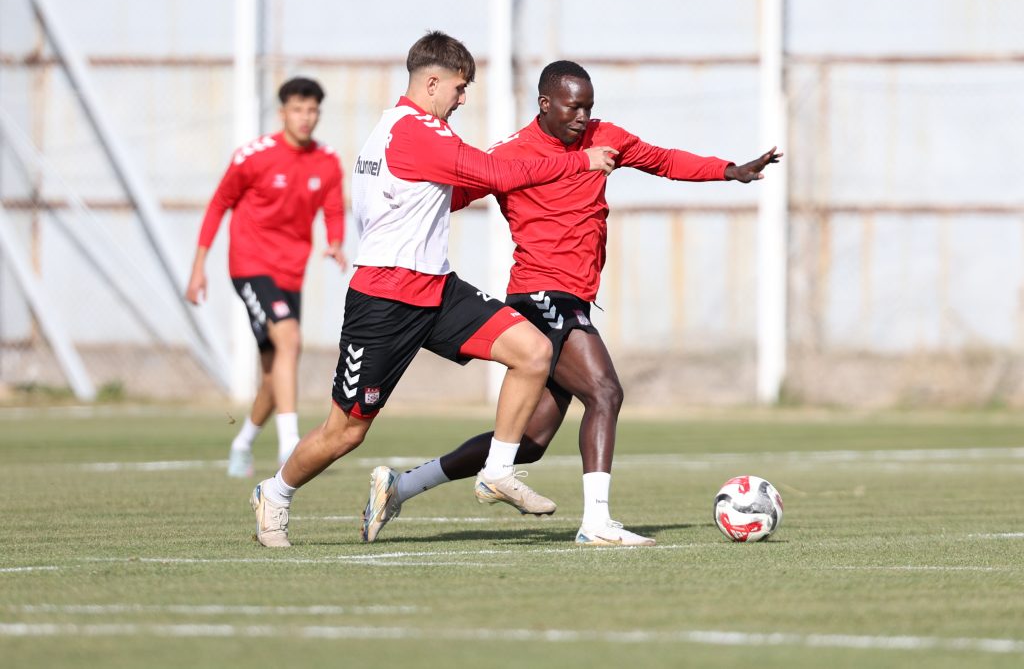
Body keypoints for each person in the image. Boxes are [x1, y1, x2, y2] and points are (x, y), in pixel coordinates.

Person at [362, 60, 783, 547]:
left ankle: (402, 486)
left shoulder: (605, 138)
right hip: (540, 295)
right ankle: (597, 522)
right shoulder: (510, 155)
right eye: (573, 107)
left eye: (588, 107)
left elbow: (663, 160)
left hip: (573, 296)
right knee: (605, 392)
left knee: (531, 442)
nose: (583, 117)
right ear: (545, 104)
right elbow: (447, 196)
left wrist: (728, 171)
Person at [248, 34, 617, 547]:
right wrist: (581, 162)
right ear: (433, 82)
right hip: (384, 297)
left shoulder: (407, 129)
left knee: (533, 352)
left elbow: (462, 186)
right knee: (346, 432)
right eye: (460, 89)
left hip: (438, 289)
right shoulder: (415, 131)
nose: (463, 99)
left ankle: (497, 471)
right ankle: (275, 492)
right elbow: (496, 173)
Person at [186, 77, 347, 478]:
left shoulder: (327, 161)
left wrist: (335, 242)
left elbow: (333, 209)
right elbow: (218, 204)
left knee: (277, 372)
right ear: (282, 113)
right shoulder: (254, 156)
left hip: (291, 272)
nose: (305, 117)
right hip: (251, 265)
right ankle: (290, 446)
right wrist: (198, 267)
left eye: (312, 110)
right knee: (290, 339)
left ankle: (242, 444)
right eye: (298, 109)